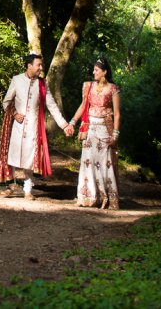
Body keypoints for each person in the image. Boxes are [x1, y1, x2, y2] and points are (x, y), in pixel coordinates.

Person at [0, 53, 68, 199]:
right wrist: (15, 114)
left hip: (33, 128)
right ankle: (10, 185)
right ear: (29, 66)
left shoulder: (42, 84)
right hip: (16, 126)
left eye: (41, 65)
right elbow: (6, 102)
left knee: (29, 158)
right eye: (38, 65)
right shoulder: (17, 80)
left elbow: (52, 105)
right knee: (13, 156)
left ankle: (27, 190)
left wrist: (64, 125)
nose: (41, 68)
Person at [63, 58, 121, 209]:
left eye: (96, 70)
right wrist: (72, 123)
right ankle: (88, 197)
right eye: (94, 70)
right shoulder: (88, 86)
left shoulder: (113, 89)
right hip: (90, 130)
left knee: (104, 163)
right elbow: (83, 106)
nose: (93, 72)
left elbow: (117, 113)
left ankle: (106, 198)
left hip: (105, 130)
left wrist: (115, 135)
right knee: (88, 162)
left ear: (105, 72)